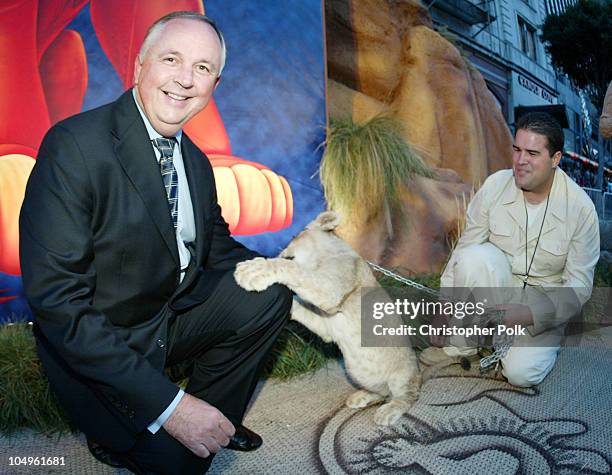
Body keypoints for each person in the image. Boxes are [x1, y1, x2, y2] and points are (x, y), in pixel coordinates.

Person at [19, 12, 292, 475]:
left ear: (214, 84)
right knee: (181, 466)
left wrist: (297, 269)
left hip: (165, 321)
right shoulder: (74, 146)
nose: (185, 80)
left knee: (270, 291)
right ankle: (136, 431)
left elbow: (222, 254)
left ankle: (214, 417)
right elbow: (59, 306)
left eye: (202, 69)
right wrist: (171, 408)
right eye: (172, 59)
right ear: (140, 65)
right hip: (102, 350)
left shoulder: (197, 164)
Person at [420, 112, 600, 387]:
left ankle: (520, 344)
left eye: (532, 153)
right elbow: (465, 248)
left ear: (555, 159)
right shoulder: (495, 185)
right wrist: (445, 307)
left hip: (542, 305)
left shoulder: (581, 209)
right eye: (516, 150)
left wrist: (526, 315)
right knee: (474, 257)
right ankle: (462, 347)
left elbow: (578, 289)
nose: (520, 161)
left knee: (521, 374)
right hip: (498, 285)